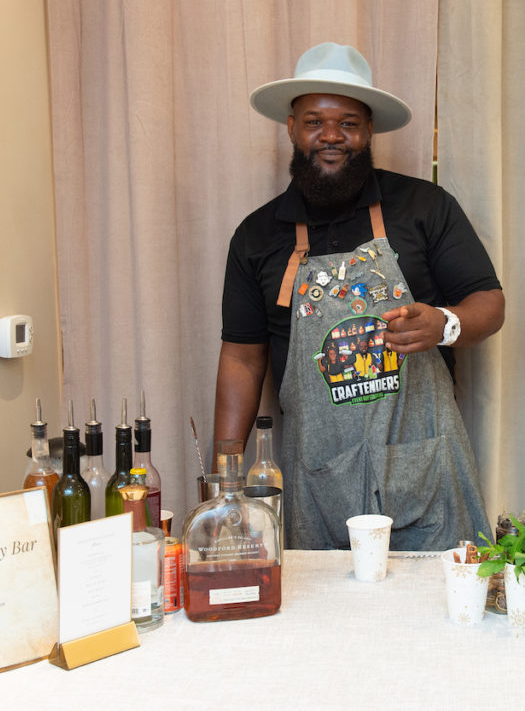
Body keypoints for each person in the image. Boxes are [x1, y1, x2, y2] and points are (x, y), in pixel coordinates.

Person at [214, 42, 505, 550]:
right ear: (291, 128)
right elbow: (241, 358)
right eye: (314, 121)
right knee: (324, 618)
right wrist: (225, 478)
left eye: (348, 122)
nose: (331, 135)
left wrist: (445, 323)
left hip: (423, 468)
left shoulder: (425, 206)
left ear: (369, 130)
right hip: (317, 474)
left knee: (438, 617)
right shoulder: (256, 237)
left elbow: (489, 302)